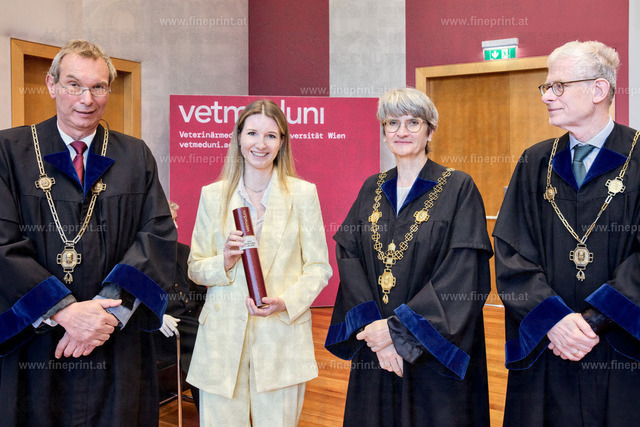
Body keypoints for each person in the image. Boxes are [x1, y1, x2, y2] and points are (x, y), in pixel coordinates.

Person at [0, 40, 176, 426]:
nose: (86, 98)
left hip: (113, 338)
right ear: (51, 85)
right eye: (74, 84)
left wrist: (105, 312)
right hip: (37, 342)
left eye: (98, 87)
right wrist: (63, 311)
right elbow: (2, 243)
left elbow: (158, 235)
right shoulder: (8, 151)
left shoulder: (135, 156)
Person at [325, 87, 492, 426]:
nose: (401, 131)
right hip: (376, 344)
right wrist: (377, 331)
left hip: (432, 347)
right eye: (392, 123)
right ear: (384, 131)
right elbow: (350, 255)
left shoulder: (458, 187)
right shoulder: (372, 187)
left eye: (413, 122)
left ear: (430, 130)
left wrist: (399, 331)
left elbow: (463, 271)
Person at [493, 40, 640, 426]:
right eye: (546, 87)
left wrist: (594, 320)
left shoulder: (638, 157)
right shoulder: (535, 161)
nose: (547, 96)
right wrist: (554, 319)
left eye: (559, 86)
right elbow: (511, 250)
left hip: (620, 348)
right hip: (548, 345)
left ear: (599, 89)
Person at [186, 99, 332, 426]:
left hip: (281, 338)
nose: (260, 144)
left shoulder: (303, 194)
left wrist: (285, 302)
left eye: (271, 136)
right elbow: (195, 267)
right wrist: (224, 260)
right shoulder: (213, 195)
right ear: (239, 137)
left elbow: (319, 268)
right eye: (252, 133)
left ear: (282, 142)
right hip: (221, 342)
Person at [154, 200, 206, 410]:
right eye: (170, 221)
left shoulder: (183, 251)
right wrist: (156, 316)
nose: (175, 226)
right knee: (205, 343)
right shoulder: (142, 257)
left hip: (192, 321)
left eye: (176, 220)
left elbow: (201, 293)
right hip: (164, 329)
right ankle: (209, 413)